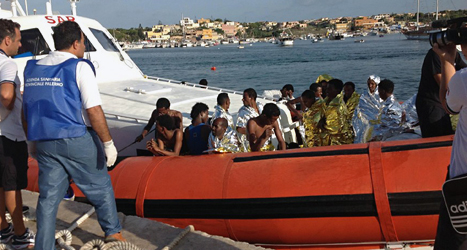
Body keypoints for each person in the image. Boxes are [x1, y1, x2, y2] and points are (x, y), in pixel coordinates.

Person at [22, 21, 125, 247]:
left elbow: (26, 108)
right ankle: (113, 232)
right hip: (75, 137)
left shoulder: (32, 67)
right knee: (100, 186)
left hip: (44, 142)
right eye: (83, 43)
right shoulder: (79, 67)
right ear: (76, 43)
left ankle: (43, 245)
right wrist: (108, 143)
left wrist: (31, 141)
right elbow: (93, 110)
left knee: (48, 198)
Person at [0, 19, 35, 248]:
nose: (20, 45)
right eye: (19, 40)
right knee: (13, 186)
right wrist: (9, 105)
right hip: (8, 135)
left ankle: (2, 228)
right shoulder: (8, 64)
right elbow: (6, 95)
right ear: (7, 40)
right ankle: (20, 235)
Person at [432, 36, 467, 250]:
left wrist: (447, 60)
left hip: (463, 182)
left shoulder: (463, 79)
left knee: (454, 243)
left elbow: (447, 104)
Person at [415, 48, 467, 138]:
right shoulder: (435, 54)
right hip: (431, 103)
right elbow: (442, 81)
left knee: (446, 133)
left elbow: (463, 69)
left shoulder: (454, 54)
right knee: (434, 137)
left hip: (443, 103)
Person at [318, 79, 351, 146]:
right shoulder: (326, 102)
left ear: (338, 90)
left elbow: (339, 128)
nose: (327, 91)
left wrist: (323, 125)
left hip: (338, 143)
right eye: (327, 88)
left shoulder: (339, 106)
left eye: (330, 89)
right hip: (327, 141)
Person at [353, 75, 383, 143]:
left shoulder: (381, 96)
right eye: (369, 84)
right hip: (366, 123)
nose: (370, 86)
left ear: (377, 84)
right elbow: (360, 108)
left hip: (379, 124)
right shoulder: (364, 95)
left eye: (372, 84)